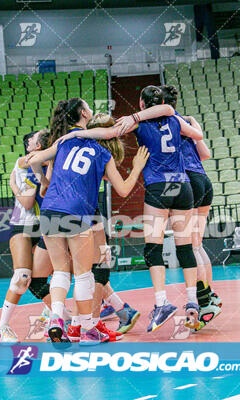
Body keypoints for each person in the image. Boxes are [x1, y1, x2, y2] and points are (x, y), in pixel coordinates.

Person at [68, 86, 205, 332]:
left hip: (159, 186)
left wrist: (78, 135)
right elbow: (197, 135)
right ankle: (192, 301)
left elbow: (109, 132)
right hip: (183, 186)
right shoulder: (174, 119)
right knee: (185, 247)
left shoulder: (138, 124)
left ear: (141, 105)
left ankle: (162, 303)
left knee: (154, 247)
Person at [29, 98, 149, 345]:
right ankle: (88, 330)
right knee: (84, 276)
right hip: (77, 213)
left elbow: (33, 161)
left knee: (61, 272)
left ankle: (55, 319)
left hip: (50, 209)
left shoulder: (63, 142)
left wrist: (43, 182)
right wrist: (136, 167)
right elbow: (124, 189)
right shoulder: (102, 153)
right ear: (84, 114)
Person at [160, 84, 222, 331]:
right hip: (203, 179)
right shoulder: (185, 122)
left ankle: (204, 300)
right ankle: (209, 296)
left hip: (186, 182)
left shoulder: (163, 125)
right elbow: (204, 152)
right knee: (198, 244)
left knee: (189, 245)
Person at [0, 130, 47, 343]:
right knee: (23, 276)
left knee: (56, 272)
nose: (42, 136)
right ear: (30, 146)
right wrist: (15, 186)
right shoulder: (25, 163)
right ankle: (1, 327)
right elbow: (26, 203)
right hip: (23, 225)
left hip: (45, 226)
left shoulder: (47, 162)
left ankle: (51, 313)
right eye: (37, 137)